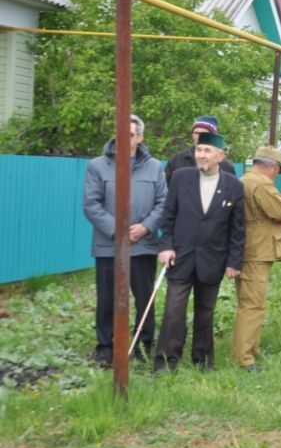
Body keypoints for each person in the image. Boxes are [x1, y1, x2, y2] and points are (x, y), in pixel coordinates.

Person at [154, 132, 245, 371]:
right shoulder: (181, 177)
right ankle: (165, 362)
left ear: (220, 156)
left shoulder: (233, 186)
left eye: (207, 151)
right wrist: (166, 246)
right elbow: (168, 216)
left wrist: (234, 262)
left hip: (212, 259)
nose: (201, 155)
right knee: (174, 311)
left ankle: (203, 361)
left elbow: (237, 228)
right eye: (199, 150)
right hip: (180, 257)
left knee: (205, 314)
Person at [82, 114, 166, 366]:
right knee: (107, 298)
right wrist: (117, 230)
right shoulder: (97, 166)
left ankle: (142, 345)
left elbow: (164, 202)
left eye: (128, 134)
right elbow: (91, 204)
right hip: (109, 246)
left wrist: (146, 227)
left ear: (139, 137)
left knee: (144, 298)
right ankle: (105, 348)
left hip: (142, 246)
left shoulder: (155, 167)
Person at [231, 146, 281, 372]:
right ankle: (244, 357)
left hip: (249, 250)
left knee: (251, 302)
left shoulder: (244, 180)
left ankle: (251, 348)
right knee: (252, 305)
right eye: (277, 171)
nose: (276, 175)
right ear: (271, 167)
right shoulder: (261, 184)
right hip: (256, 252)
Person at [164, 114, 236, 184]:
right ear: (192, 134)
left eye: (204, 133)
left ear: (213, 136)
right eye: (196, 133)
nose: (199, 137)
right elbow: (166, 190)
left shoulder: (226, 166)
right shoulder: (177, 160)